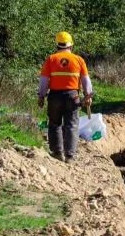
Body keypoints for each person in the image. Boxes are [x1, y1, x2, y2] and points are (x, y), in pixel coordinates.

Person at [38, 31, 93, 161]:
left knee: (54, 123)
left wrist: (41, 96)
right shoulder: (79, 60)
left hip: (55, 96)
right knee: (72, 125)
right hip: (72, 96)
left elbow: (44, 80)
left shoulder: (51, 59)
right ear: (71, 45)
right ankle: (69, 155)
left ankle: (57, 153)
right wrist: (88, 95)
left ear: (57, 45)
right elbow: (86, 80)